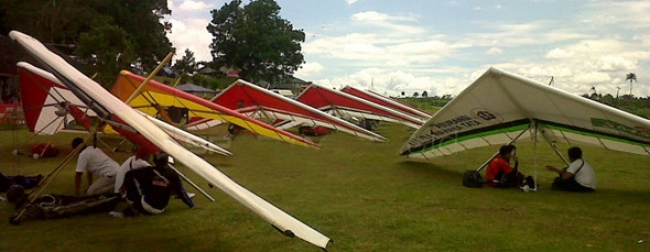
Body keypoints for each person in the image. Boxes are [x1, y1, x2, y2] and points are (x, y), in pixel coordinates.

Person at [122, 152, 196, 215]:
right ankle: (135, 206)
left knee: (141, 182)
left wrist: (129, 192)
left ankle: (132, 206)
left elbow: (129, 174)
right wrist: (191, 204)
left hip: (146, 204)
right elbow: (180, 191)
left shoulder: (147, 171)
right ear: (167, 161)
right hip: (160, 209)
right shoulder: (172, 174)